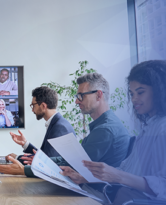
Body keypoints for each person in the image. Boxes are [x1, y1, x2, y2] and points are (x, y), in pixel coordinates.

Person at [60, 60, 166, 204]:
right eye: (131, 93)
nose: (134, 99)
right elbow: (125, 170)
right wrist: (85, 177)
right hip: (119, 195)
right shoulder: (149, 126)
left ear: (159, 90)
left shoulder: (161, 128)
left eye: (140, 92)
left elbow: (162, 185)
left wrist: (117, 176)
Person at [0, 73, 129, 177]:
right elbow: (65, 160)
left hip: (93, 195)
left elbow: (75, 165)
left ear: (99, 95)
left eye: (81, 96)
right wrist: (28, 152)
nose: (76, 101)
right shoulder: (102, 126)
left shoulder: (105, 130)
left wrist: (24, 169)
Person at [0, 86, 75, 175]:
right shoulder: (57, 123)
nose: (32, 109)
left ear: (43, 106)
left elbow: (47, 164)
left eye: (33, 105)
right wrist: (25, 144)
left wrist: (17, 158)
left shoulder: (59, 127)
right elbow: (46, 157)